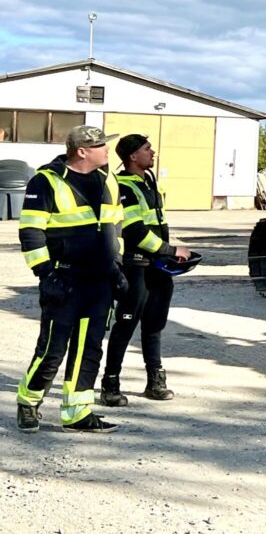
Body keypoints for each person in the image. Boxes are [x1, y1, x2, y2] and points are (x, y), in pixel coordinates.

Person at [16, 125, 126, 434]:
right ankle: (28, 401)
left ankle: (77, 413)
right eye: (102, 146)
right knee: (53, 349)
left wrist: (116, 268)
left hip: (100, 281)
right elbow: (31, 231)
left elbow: (114, 227)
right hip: (64, 280)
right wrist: (45, 273)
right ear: (82, 151)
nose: (107, 150)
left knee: (89, 349)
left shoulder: (108, 180)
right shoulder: (46, 181)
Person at [100, 134, 190, 406]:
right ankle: (110, 383)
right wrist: (172, 251)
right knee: (125, 325)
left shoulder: (149, 181)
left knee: (154, 325)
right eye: (147, 149)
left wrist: (168, 255)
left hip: (157, 267)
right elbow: (136, 231)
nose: (153, 153)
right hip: (136, 266)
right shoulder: (124, 186)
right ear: (132, 157)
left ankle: (155, 380)